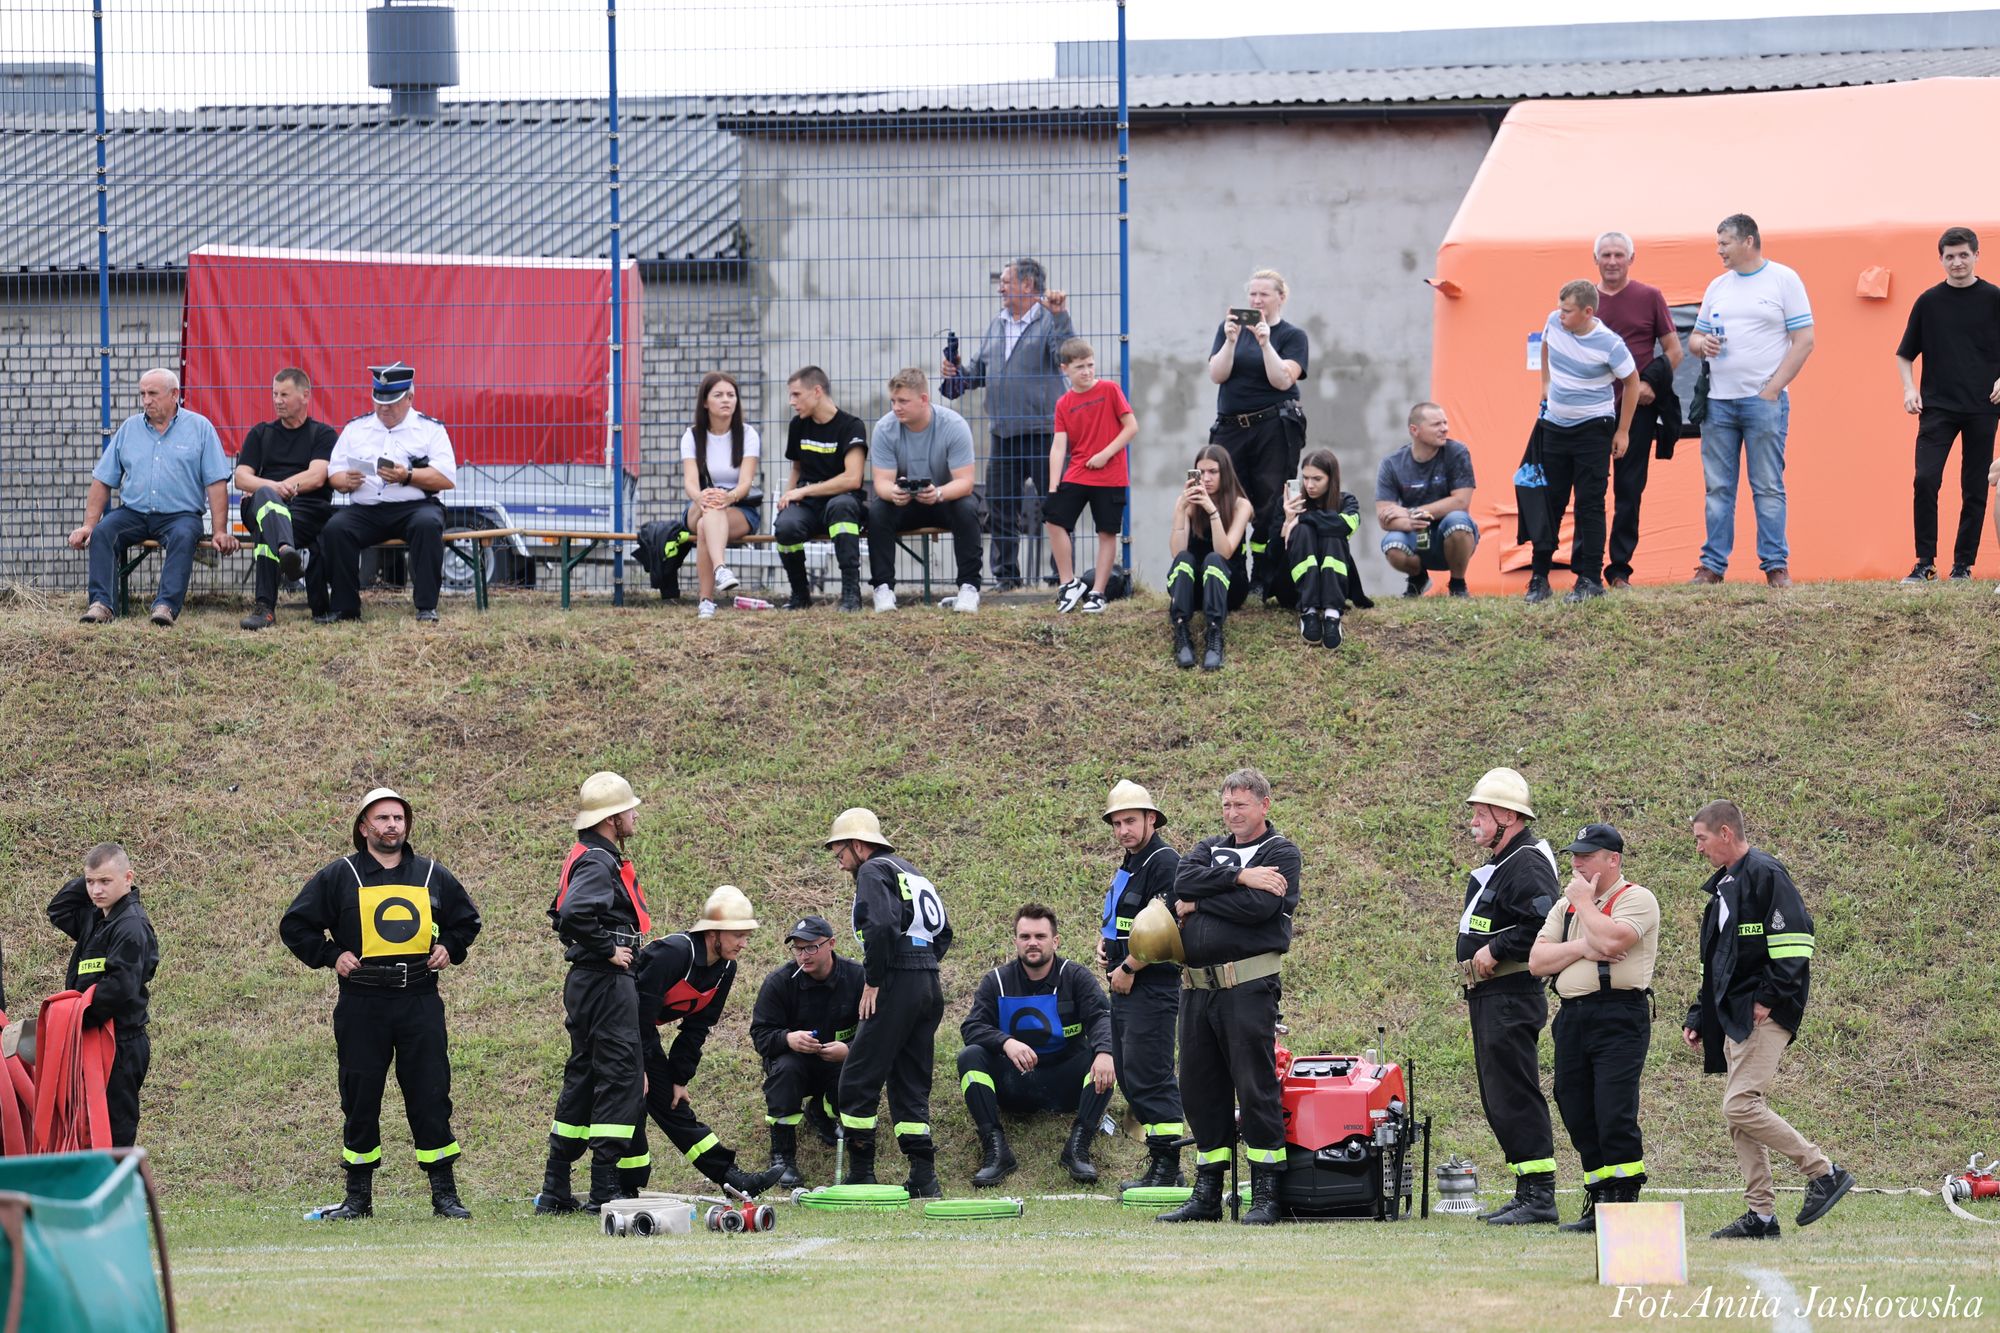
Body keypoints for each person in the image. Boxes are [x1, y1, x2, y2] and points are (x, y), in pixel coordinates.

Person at [281, 788, 482, 1220]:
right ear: (363, 827)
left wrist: (450, 946)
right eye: (382, 818)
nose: (392, 825)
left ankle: (444, 1195)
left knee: (430, 1094)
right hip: (362, 1004)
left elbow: (466, 922)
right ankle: (358, 1199)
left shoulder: (431, 875)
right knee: (360, 1098)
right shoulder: (340, 876)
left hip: (419, 1001)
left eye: (398, 818)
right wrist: (331, 955)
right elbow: (295, 925)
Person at [1683, 800, 1854, 1239]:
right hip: (1734, 1015)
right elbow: (1716, 960)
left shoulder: (1765, 873)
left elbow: (1797, 939)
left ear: (1725, 833)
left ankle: (1823, 1171)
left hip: (1762, 1014)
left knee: (1740, 1105)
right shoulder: (1726, 884)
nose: (1698, 848)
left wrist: (1769, 998)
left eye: (1701, 838)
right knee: (1739, 1117)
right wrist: (1700, 1013)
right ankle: (1761, 1216)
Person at [1158, 767, 1301, 1226]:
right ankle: (1207, 1194)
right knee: (1200, 1091)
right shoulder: (1207, 848)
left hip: (1247, 987)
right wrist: (1240, 880)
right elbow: (1183, 883)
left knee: (1254, 1087)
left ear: (1264, 805)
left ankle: (1265, 1194)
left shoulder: (1281, 851)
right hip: (1197, 990)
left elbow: (1262, 910)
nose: (1233, 813)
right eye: (1226, 805)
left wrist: (1201, 901)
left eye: (1241, 804)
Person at [1528, 824, 1659, 1233]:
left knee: (1613, 1108)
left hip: (1618, 1015)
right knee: (1574, 1103)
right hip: (1573, 1018)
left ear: (1613, 860)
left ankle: (1622, 1198)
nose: (1576, 863)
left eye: (1586, 856)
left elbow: (1615, 940)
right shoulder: (1564, 907)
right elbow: (1537, 962)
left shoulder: (1635, 898)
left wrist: (1585, 904)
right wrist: (1584, 946)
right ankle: (1599, 1193)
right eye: (1574, 856)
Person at [623, 887, 787, 1199]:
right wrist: (637, 1066)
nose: (743, 944)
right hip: (617, 1030)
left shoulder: (726, 968)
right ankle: (613, 1186)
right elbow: (637, 1012)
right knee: (630, 1104)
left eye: (746, 936)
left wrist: (679, 1078)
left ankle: (731, 1178)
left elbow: (698, 1026)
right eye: (737, 935)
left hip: (641, 1034)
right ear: (713, 931)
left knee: (674, 1105)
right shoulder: (673, 953)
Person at [824, 807, 953, 1196]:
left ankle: (862, 1172)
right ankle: (923, 1176)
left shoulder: (872, 871)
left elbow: (880, 926)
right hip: (928, 982)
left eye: (841, 851)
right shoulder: (912, 871)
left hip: (897, 979)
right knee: (910, 1079)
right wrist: (922, 965)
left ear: (860, 845)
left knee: (858, 1075)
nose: (839, 860)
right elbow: (944, 932)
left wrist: (876, 980)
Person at [537, 772, 650, 1215]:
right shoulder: (599, 861)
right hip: (604, 982)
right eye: (629, 809)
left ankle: (555, 1186)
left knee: (583, 1076)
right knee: (621, 1074)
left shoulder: (584, 854)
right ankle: (605, 1189)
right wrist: (609, 949)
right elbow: (573, 914)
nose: (635, 815)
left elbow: (560, 914)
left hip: (586, 982)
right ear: (611, 818)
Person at [1456, 767, 1561, 1225]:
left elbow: (1544, 923)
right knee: (1499, 1094)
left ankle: (1539, 1195)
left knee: (1514, 1093)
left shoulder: (1528, 863)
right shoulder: (1506, 861)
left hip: (1511, 994)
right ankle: (1526, 1189)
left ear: (1508, 815)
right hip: (1492, 996)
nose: (1474, 821)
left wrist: (1497, 948)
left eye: (1482, 812)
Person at [1688, 214, 1815, 588]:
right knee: (1718, 487)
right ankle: (1712, 566)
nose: (1719, 251)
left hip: (1763, 402)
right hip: (1718, 402)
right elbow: (1695, 338)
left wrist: (1772, 389)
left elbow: (1804, 340)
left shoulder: (1784, 280)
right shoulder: (1717, 286)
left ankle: (1776, 565)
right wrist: (1701, 344)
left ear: (1748, 241)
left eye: (1724, 243)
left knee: (1768, 485)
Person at [957, 904, 1116, 1187]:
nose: (1032, 943)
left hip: (1066, 1085)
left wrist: (1105, 1052)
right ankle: (996, 1150)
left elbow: (1102, 1018)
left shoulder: (1075, 977)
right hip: (1013, 1084)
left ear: (1055, 941)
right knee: (970, 1056)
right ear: (1016, 941)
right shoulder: (996, 981)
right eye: (1025, 936)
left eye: (1040, 936)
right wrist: (1005, 1042)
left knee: (1106, 1054)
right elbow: (972, 1027)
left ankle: (1078, 1148)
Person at [941, 258, 1075, 590]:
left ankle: (1062, 576)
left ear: (1027, 285)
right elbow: (976, 374)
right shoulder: (997, 325)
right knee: (1000, 507)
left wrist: (1060, 316)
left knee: (1054, 506)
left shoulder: (1048, 322)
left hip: (1045, 433)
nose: (1000, 287)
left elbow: (1066, 357)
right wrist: (956, 374)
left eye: (1006, 281)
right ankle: (1006, 577)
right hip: (1004, 434)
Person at [70, 367, 239, 626]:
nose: (146, 400)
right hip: (134, 513)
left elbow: (216, 483)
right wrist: (89, 525)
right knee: (104, 532)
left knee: (184, 536)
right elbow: (102, 480)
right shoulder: (129, 429)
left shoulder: (200, 428)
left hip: (180, 516)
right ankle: (101, 605)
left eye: (152, 394)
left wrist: (219, 530)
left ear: (174, 395)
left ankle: (165, 607)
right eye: (142, 394)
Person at [1093, 780, 1185, 1191]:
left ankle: (1169, 1168)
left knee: (1150, 1074)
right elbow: (1126, 918)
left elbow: (1163, 927)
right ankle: (1159, 1162)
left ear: (1151, 819)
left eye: (1130, 821)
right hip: (1125, 984)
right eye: (1116, 823)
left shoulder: (1164, 861)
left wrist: (1128, 967)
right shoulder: (1131, 863)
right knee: (1131, 1075)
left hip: (1150, 986)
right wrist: (1105, 942)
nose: (1122, 830)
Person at [1895, 226, 2000, 582]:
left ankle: (1962, 567)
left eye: (1963, 255)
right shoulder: (1929, 302)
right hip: (1937, 408)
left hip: (1984, 407)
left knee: (1974, 487)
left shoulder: (1994, 298)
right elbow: (1904, 354)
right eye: (1950, 256)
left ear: (1976, 256)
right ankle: (1925, 563)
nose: (1957, 262)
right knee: (1925, 479)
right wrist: (1909, 389)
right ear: (1941, 259)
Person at [1527, 280, 1639, 604]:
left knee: (1589, 504)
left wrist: (1623, 431)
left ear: (1587, 312)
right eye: (1560, 308)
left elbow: (1632, 384)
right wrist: (1545, 382)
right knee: (1549, 502)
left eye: (1567, 310)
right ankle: (1539, 578)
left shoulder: (1610, 344)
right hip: (1554, 427)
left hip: (1594, 429)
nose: (1560, 315)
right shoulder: (1553, 322)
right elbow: (1545, 345)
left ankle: (1589, 579)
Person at [321, 362, 458, 623]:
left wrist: (407, 476)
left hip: (415, 507)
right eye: (379, 401)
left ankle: (426, 607)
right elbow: (333, 472)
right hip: (366, 509)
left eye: (392, 402)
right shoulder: (355, 429)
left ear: (409, 398)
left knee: (428, 525)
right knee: (336, 529)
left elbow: (446, 477)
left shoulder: (430, 430)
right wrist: (345, 481)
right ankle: (345, 608)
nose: (384, 408)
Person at [47, 843, 159, 1147]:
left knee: (114, 1132)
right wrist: (91, 877)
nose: (96, 890)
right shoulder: (95, 918)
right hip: (93, 1038)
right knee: (88, 1128)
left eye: (105, 881)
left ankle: (120, 1191)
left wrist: (75, 1018)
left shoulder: (131, 926)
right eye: (90, 882)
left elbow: (119, 987)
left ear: (128, 878)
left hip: (119, 1042)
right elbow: (58, 909)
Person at [1206, 269, 1309, 598]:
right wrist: (1232, 340)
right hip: (1231, 427)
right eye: (1252, 294)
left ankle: (1263, 575)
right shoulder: (1229, 332)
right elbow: (1216, 374)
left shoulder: (1292, 336)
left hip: (1273, 426)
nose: (1256, 300)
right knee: (1226, 496)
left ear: (1281, 297)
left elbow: (1283, 380)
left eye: (1263, 294)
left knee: (1269, 502)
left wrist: (1265, 344)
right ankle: (1232, 569)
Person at [1593, 232, 1686, 588]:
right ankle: (1587, 567)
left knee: (1629, 490)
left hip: (1638, 411)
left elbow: (1675, 352)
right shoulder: (1585, 299)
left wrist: (1649, 384)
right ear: (1596, 260)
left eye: (1619, 254)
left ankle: (1619, 571)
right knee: (1590, 489)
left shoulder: (1650, 297)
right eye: (1606, 255)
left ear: (1632, 259)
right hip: (1591, 409)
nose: (1612, 261)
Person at [749, 915, 865, 1188]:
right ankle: (783, 1157)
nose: (804, 955)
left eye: (811, 947)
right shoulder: (779, 982)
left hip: (838, 1061)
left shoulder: (857, 977)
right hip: (793, 1064)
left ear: (831, 944)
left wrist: (849, 1050)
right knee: (787, 1070)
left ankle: (823, 1114)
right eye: (798, 949)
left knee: (856, 1074)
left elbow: (878, 1029)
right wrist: (788, 1039)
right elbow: (760, 1035)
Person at [866, 369, 984, 613]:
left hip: (942, 500)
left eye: (903, 401)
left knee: (967, 506)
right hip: (904, 505)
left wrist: (938, 493)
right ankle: (883, 589)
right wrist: (893, 493)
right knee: (878, 510)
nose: (896, 407)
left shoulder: (953, 425)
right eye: (893, 401)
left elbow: (965, 482)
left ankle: (969, 588)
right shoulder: (885, 428)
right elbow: (882, 482)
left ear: (923, 399)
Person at [234, 366, 337, 629]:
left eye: (284, 395)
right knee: (267, 503)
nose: (277, 401)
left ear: (305, 396)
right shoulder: (261, 433)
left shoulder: (323, 434)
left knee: (267, 525)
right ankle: (285, 551)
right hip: (262, 506)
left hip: (306, 508)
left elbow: (316, 476)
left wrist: (277, 487)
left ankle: (265, 610)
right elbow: (240, 477)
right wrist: (271, 489)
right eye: (274, 394)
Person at [1045, 338, 1136, 614]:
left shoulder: (1110, 390)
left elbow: (1131, 427)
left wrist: (1106, 454)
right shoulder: (1063, 403)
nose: (1086, 371)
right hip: (1078, 473)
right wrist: (1053, 485)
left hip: (1111, 476)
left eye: (1090, 365)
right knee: (1053, 518)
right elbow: (1059, 446)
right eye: (1080, 367)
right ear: (1065, 369)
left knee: (1107, 532)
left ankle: (1097, 593)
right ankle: (1068, 583)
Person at [664, 372, 763, 620]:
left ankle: (706, 602)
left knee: (705, 525)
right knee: (708, 509)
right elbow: (689, 482)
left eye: (731, 395)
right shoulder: (692, 435)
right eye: (718, 395)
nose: (726, 400)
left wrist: (728, 497)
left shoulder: (749, 434)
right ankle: (721, 568)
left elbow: (746, 483)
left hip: (739, 506)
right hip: (700, 503)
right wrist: (701, 497)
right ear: (705, 402)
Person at [772, 367, 869, 612]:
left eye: (796, 395)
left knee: (843, 507)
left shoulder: (852, 426)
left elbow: (853, 479)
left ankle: (850, 595)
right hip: (807, 505)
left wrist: (804, 491)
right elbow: (797, 468)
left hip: (840, 501)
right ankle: (800, 594)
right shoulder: (798, 425)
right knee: (785, 526)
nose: (791, 402)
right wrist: (788, 496)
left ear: (817, 391)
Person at [1166, 444, 1255, 672]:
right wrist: (1180, 510)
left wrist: (1212, 512)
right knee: (1186, 558)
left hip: (1228, 589)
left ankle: (1215, 633)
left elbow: (1225, 552)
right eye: (1201, 472)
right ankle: (1181, 632)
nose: (1206, 478)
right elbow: (1177, 554)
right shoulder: (1187, 504)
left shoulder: (1240, 505)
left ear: (1225, 472)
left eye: (1213, 472)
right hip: (1195, 590)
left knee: (1214, 559)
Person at [1375, 403, 1478, 598]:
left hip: (1449, 534)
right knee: (1392, 545)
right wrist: (1410, 520)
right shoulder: (1391, 463)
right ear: (1415, 430)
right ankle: (1418, 578)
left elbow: (1460, 502)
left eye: (1445, 422)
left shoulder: (1457, 452)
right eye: (1437, 424)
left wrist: (1409, 511)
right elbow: (1384, 517)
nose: (1445, 428)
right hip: (1417, 534)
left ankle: (1457, 585)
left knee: (1457, 521)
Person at [1277, 447, 1361, 648]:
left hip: (1333, 587)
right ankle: (1309, 612)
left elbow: (1345, 526)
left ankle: (1332, 616)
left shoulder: (1346, 501)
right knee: (1303, 531)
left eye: (1317, 479)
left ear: (1331, 479)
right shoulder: (1289, 502)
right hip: (1294, 589)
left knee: (1333, 535)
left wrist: (1304, 517)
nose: (1309, 485)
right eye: (1305, 478)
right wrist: (1289, 521)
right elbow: (1274, 553)